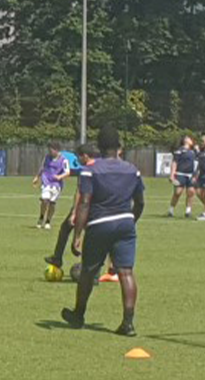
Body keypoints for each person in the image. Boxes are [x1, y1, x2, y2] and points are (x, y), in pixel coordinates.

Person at [62, 126, 145, 337]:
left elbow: (85, 203)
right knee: (126, 272)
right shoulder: (132, 169)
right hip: (125, 222)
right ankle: (128, 323)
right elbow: (140, 202)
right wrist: (130, 220)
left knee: (89, 271)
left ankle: (78, 314)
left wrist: (77, 234)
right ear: (119, 147)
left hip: (100, 223)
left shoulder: (91, 170)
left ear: (99, 147)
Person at [44, 145, 96, 269]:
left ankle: (61, 258)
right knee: (89, 234)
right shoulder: (100, 166)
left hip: (86, 206)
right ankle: (89, 265)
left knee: (73, 229)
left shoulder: (85, 170)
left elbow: (79, 191)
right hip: (98, 206)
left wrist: (74, 212)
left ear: (85, 156)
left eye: (78, 156)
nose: (77, 159)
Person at [32, 142, 70, 230]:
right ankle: (41, 217)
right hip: (46, 182)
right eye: (49, 149)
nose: (50, 151)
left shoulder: (63, 160)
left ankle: (48, 221)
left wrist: (60, 176)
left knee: (52, 203)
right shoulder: (47, 157)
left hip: (56, 184)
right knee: (45, 200)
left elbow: (67, 172)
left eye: (51, 150)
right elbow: (42, 168)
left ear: (57, 150)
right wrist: (37, 177)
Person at [167, 134, 197, 218]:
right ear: (185, 140)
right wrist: (172, 175)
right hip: (180, 174)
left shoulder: (194, 151)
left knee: (191, 192)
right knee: (177, 192)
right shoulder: (179, 151)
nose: (191, 140)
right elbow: (174, 162)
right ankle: (171, 209)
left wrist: (195, 175)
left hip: (190, 175)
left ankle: (188, 211)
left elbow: (197, 164)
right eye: (189, 138)